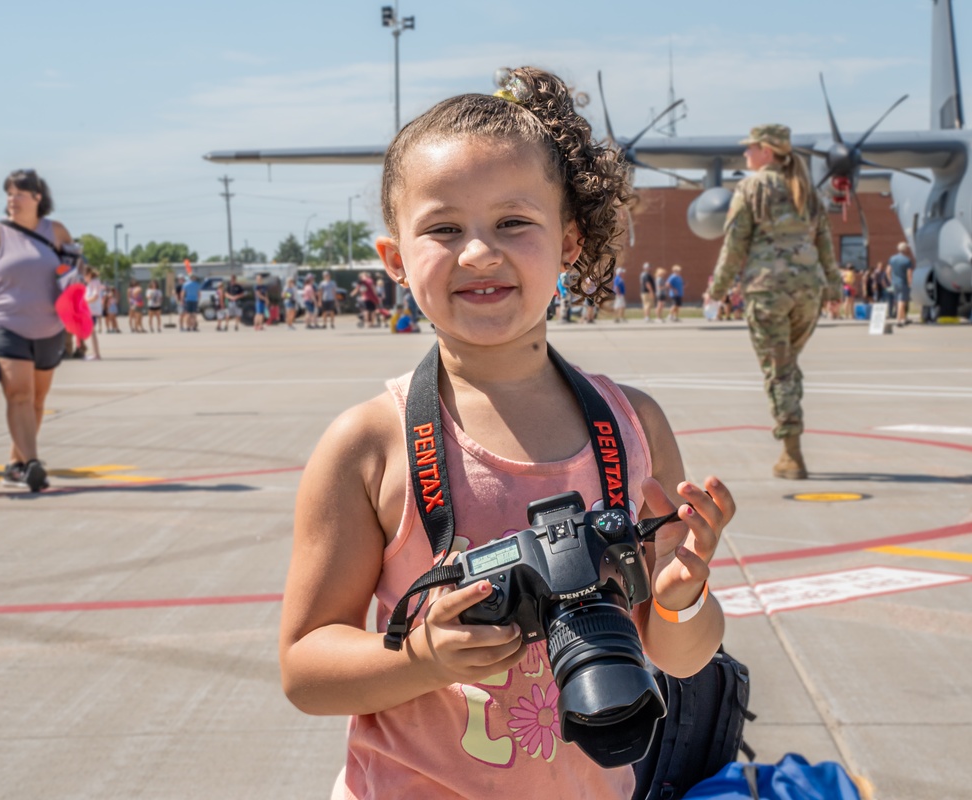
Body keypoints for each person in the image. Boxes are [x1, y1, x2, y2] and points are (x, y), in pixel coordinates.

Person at [279, 66, 733, 799]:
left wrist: (681, 597)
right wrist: (423, 658)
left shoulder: (632, 428)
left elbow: (679, 659)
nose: (479, 253)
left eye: (513, 222)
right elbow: (304, 668)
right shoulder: (369, 444)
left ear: (571, 240)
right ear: (394, 258)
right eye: (443, 228)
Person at [708, 124, 842, 480]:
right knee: (787, 365)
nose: (746, 155)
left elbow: (735, 242)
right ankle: (791, 439)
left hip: (769, 290)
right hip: (808, 290)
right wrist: (833, 287)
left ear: (766, 151)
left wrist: (718, 288)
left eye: (750, 148)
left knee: (778, 369)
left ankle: (792, 453)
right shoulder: (808, 191)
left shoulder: (752, 187)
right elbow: (825, 242)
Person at [0, 168, 76, 492]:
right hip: (4, 324)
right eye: (8, 194)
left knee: (37, 400)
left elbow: (72, 279)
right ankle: (32, 464)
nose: (12, 200)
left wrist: (74, 323)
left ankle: (16, 465)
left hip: (49, 328)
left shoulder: (57, 231)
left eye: (18, 193)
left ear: (37, 197)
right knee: (19, 394)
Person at [888, 242, 914, 326]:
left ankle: (904, 318)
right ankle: (899, 320)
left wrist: (891, 280)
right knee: (902, 301)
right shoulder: (907, 260)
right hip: (903, 282)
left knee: (898, 300)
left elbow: (888, 271)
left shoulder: (892, 258)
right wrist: (910, 283)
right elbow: (909, 274)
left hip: (895, 283)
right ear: (905, 249)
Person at [82, 266, 103, 360]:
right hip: (91, 311)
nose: (84, 278)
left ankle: (96, 354)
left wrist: (84, 302)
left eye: (84, 276)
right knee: (92, 333)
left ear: (89, 275)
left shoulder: (94, 283)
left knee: (92, 333)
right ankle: (96, 354)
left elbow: (95, 296)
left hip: (92, 311)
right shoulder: (91, 283)